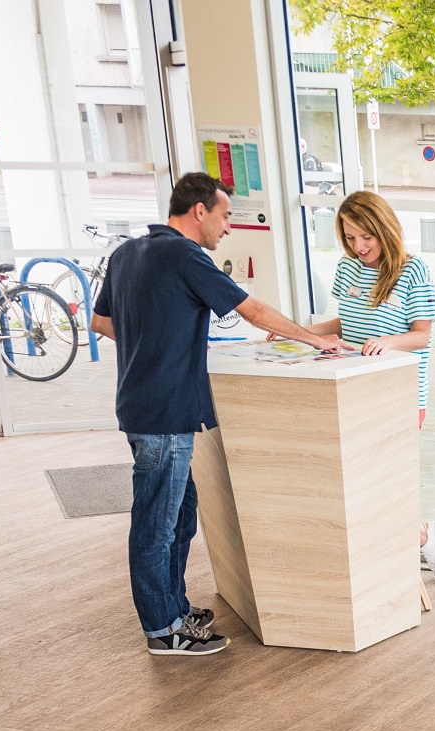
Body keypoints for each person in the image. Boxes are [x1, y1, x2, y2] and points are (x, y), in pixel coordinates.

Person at [91, 171, 345, 656]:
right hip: (165, 414)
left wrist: (150, 345)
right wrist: (315, 339)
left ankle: (175, 607)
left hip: (144, 405)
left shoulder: (127, 253)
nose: (228, 227)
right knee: (157, 525)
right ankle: (163, 631)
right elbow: (252, 311)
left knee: (181, 515)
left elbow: (101, 321)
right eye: (225, 215)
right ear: (200, 210)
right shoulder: (184, 254)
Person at [294, 190, 435, 577]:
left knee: (386, 479)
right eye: (349, 238)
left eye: (366, 237)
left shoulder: (413, 270)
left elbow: (422, 334)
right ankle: (410, 541)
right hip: (353, 387)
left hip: (401, 393)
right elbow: (347, 321)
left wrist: (387, 343)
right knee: (362, 480)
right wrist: (301, 332)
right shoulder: (347, 269)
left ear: (384, 230)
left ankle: (420, 537)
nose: (358, 246)